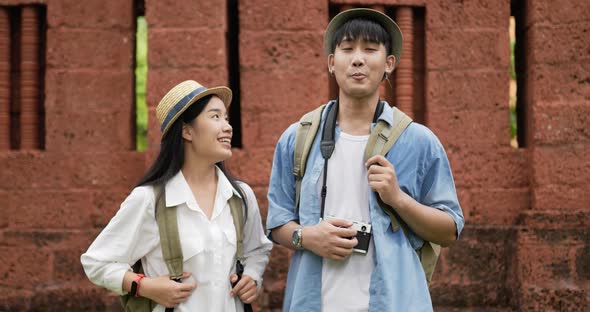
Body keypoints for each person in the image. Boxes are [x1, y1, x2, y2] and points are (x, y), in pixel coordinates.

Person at [266, 8, 464, 311]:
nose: (358, 59)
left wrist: (398, 198)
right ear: (332, 63)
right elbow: (277, 221)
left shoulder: (418, 141)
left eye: (370, 50)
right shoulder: (297, 138)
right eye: (347, 49)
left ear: (389, 64)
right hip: (313, 302)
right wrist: (307, 237)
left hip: (394, 302)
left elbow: (449, 230)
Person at [81, 80, 273, 312]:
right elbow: (96, 262)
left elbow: (257, 250)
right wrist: (145, 286)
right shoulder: (149, 200)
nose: (227, 127)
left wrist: (252, 277)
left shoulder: (240, 196)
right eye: (215, 117)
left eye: (226, 118)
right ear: (186, 131)